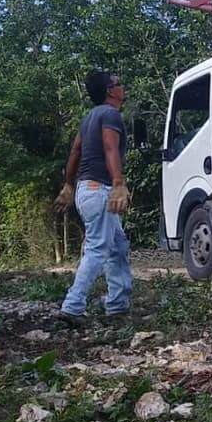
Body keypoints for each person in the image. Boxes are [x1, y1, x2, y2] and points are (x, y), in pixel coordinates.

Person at [52, 71, 132, 319]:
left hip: (88, 191)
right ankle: (73, 305)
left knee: (117, 246)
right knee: (97, 249)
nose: (122, 86)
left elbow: (75, 152)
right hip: (100, 189)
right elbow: (110, 147)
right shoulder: (110, 114)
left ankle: (118, 304)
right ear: (110, 91)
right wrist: (118, 182)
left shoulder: (88, 118)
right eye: (119, 83)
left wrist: (69, 185)